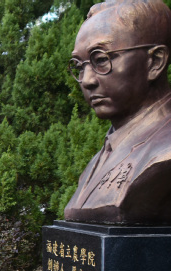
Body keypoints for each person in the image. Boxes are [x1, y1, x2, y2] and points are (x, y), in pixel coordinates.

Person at [64, 0, 171, 225]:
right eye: (80, 66)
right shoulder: (101, 157)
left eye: (101, 60)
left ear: (155, 62)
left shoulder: (165, 153)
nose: (87, 80)